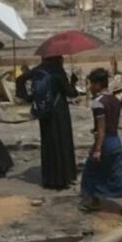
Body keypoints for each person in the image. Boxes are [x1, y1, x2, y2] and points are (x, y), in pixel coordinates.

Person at [15, 56, 79, 189]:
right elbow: (71, 93)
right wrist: (73, 82)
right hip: (59, 111)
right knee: (62, 142)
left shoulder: (38, 70)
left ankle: (49, 178)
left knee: (48, 143)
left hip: (44, 111)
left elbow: (20, 80)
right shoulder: (58, 72)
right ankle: (62, 178)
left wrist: (28, 98)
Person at [79, 68, 122, 220]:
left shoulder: (98, 103)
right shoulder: (115, 100)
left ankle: (94, 201)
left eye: (91, 84)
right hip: (116, 141)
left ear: (98, 84)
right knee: (119, 173)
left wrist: (98, 149)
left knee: (91, 172)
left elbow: (102, 129)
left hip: (105, 143)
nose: (90, 87)